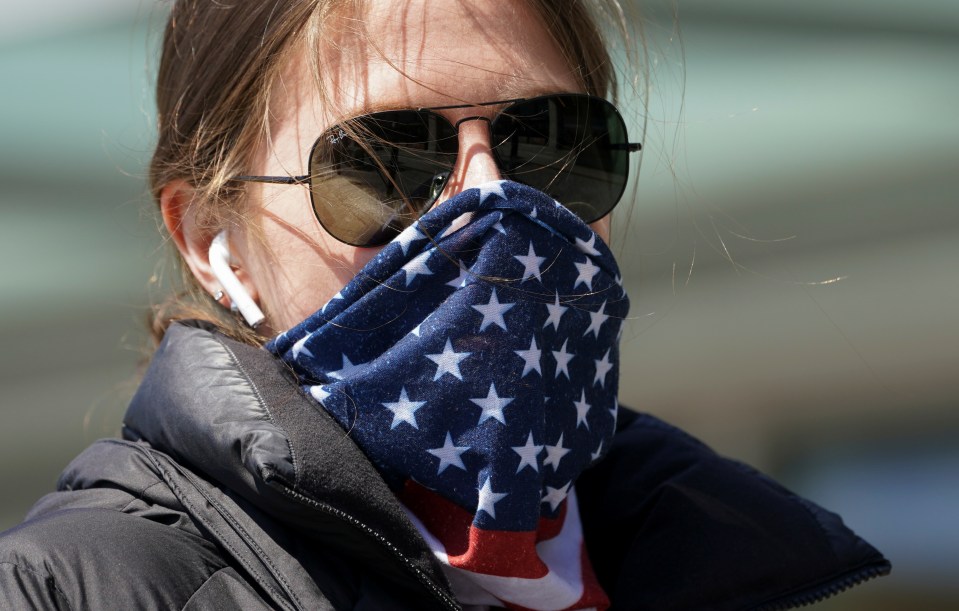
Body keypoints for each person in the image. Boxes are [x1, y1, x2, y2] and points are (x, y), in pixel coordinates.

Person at [0, 1, 889, 609]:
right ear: (210, 238)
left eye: (549, 144)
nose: (490, 205)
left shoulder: (729, 559)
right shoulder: (72, 588)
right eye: (385, 163)